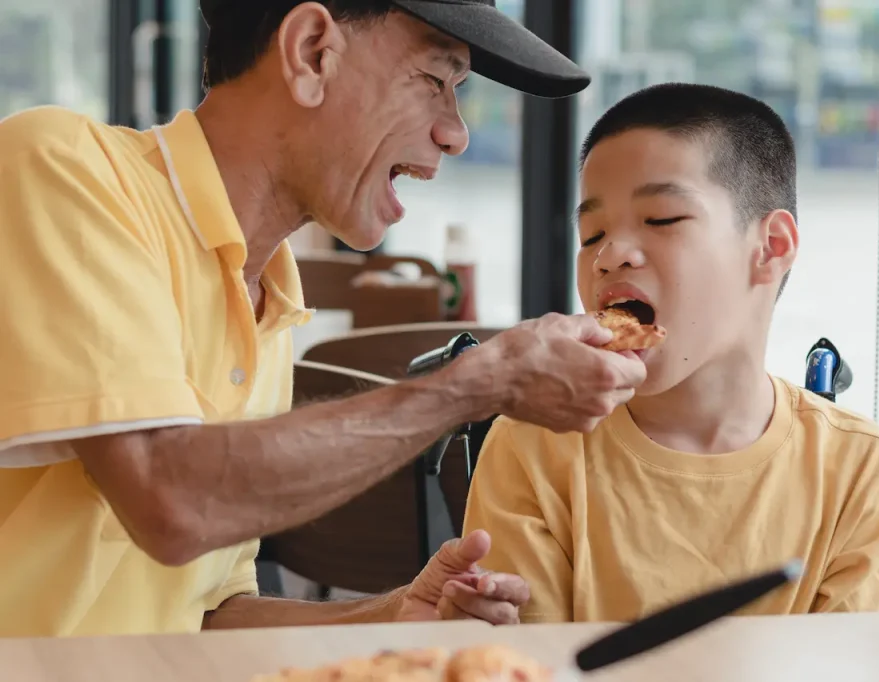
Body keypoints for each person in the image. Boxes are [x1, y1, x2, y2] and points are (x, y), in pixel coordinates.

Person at [0, 0, 648, 637]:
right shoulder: (61, 166)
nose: (457, 131)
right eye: (434, 80)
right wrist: (477, 382)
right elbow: (168, 500)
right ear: (312, 52)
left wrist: (391, 613)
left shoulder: (271, 303)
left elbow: (206, 615)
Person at [462, 83, 879, 622]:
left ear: (770, 248)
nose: (610, 256)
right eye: (591, 234)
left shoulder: (866, 472)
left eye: (661, 220)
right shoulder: (533, 445)